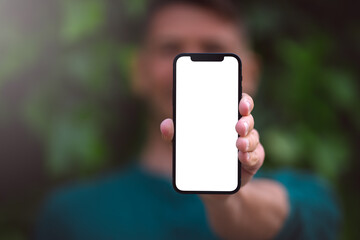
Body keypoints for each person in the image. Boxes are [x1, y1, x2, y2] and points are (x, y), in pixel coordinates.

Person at [36, 0, 341, 239]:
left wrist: (226, 200)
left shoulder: (311, 199)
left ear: (252, 72)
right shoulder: (70, 215)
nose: (191, 67)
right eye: (170, 48)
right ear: (137, 71)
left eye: (214, 48)